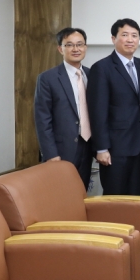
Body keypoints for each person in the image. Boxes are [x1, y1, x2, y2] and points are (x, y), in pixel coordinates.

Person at [88, 18, 140, 195]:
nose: (130, 39)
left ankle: (134, 224)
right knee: (115, 197)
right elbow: (97, 111)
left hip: (139, 145)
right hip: (115, 147)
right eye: (125, 35)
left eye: (134, 35)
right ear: (113, 38)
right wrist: (101, 148)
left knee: (137, 196)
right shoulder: (102, 68)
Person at [34, 27, 94, 190]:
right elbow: (42, 120)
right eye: (70, 45)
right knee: (59, 194)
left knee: (82, 193)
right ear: (60, 49)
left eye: (80, 44)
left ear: (85, 48)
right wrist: (51, 154)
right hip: (61, 149)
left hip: (88, 146)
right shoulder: (48, 78)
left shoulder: (92, 75)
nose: (76, 49)